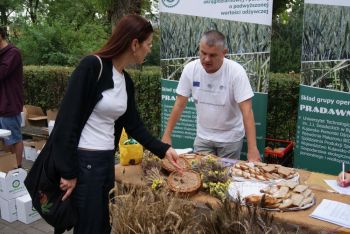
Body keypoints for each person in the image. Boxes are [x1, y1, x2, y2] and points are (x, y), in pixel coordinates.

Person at [39, 15, 181, 234]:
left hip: (106, 162)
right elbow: (66, 122)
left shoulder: (125, 81)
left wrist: (164, 150)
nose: (150, 49)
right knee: (90, 227)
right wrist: (67, 172)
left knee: (104, 224)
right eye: (149, 44)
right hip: (85, 163)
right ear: (135, 44)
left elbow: (134, 126)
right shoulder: (92, 67)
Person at [162, 30, 261, 162]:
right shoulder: (190, 69)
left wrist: (252, 149)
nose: (206, 59)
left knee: (226, 178)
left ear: (224, 53)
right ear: (199, 48)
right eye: (203, 53)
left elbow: (247, 111)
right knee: (200, 176)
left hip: (230, 139)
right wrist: (166, 135)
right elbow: (179, 104)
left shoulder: (236, 72)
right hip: (203, 137)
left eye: (213, 55)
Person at [0, 26, 24, 167]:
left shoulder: (13, 53)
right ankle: (7, 167)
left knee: (13, 138)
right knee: (3, 139)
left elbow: (1, 73)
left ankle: (18, 169)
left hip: (9, 103)